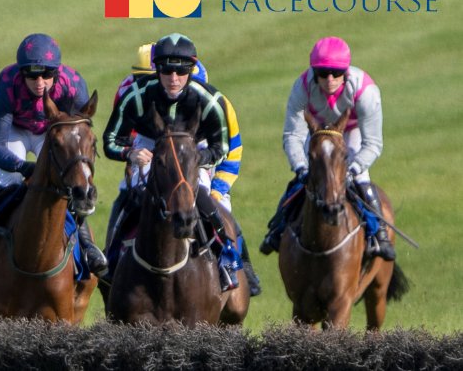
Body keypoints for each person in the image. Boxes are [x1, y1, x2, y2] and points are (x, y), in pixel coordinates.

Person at [102, 33, 260, 295]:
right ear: (157, 70)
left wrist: (199, 160)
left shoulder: (210, 100)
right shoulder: (136, 95)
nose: (173, 78)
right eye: (166, 70)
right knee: (133, 189)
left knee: (201, 191)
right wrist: (129, 153)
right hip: (151, 142)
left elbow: (222, 148)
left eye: (181, 70)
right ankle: (111, 260)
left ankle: (232, 260)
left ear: (191, 70)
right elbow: (109, 140)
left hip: (193, 146)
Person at [0, 34, 104, 276]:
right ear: (21, 73)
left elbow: (80, 134)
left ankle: (88, 247)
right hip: (15, 129)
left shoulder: (73, 84)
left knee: (73, 183)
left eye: (47, 75)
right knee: (8, 181)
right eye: (32, 75)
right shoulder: (5, 84)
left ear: (56, 72)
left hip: (55, 132)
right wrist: (23, 167)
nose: (40, 82)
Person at [261, 37, 393, 260]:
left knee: (360, 177)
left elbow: (373, 143)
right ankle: (277, 228)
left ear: (346, 72)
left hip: (351, 131)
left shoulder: (365, 91)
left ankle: (378, 232)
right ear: (314, 72)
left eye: (336, 73)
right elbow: (293, 134)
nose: (329, 79)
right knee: (301, 180)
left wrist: (352, 168)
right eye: (322, 73)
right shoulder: (301, 87)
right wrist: (301, 167)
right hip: (316, 132)